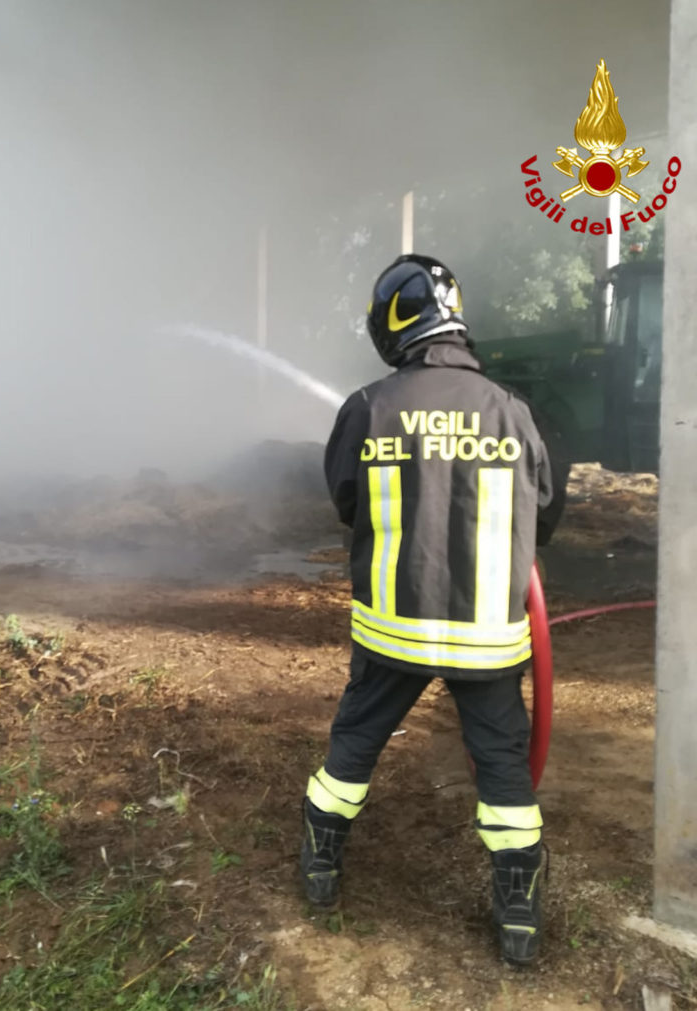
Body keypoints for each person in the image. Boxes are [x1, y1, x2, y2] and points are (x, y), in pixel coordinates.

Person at [300, 253, 560, 966]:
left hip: (392, 629)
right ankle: (518, 913)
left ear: (394, 320)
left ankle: (321, 864)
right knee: (503, 766)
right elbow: (546, 512)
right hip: (486, 639)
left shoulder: (368, 407)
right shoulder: (511, 410)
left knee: (354, 744)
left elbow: (347, 503)